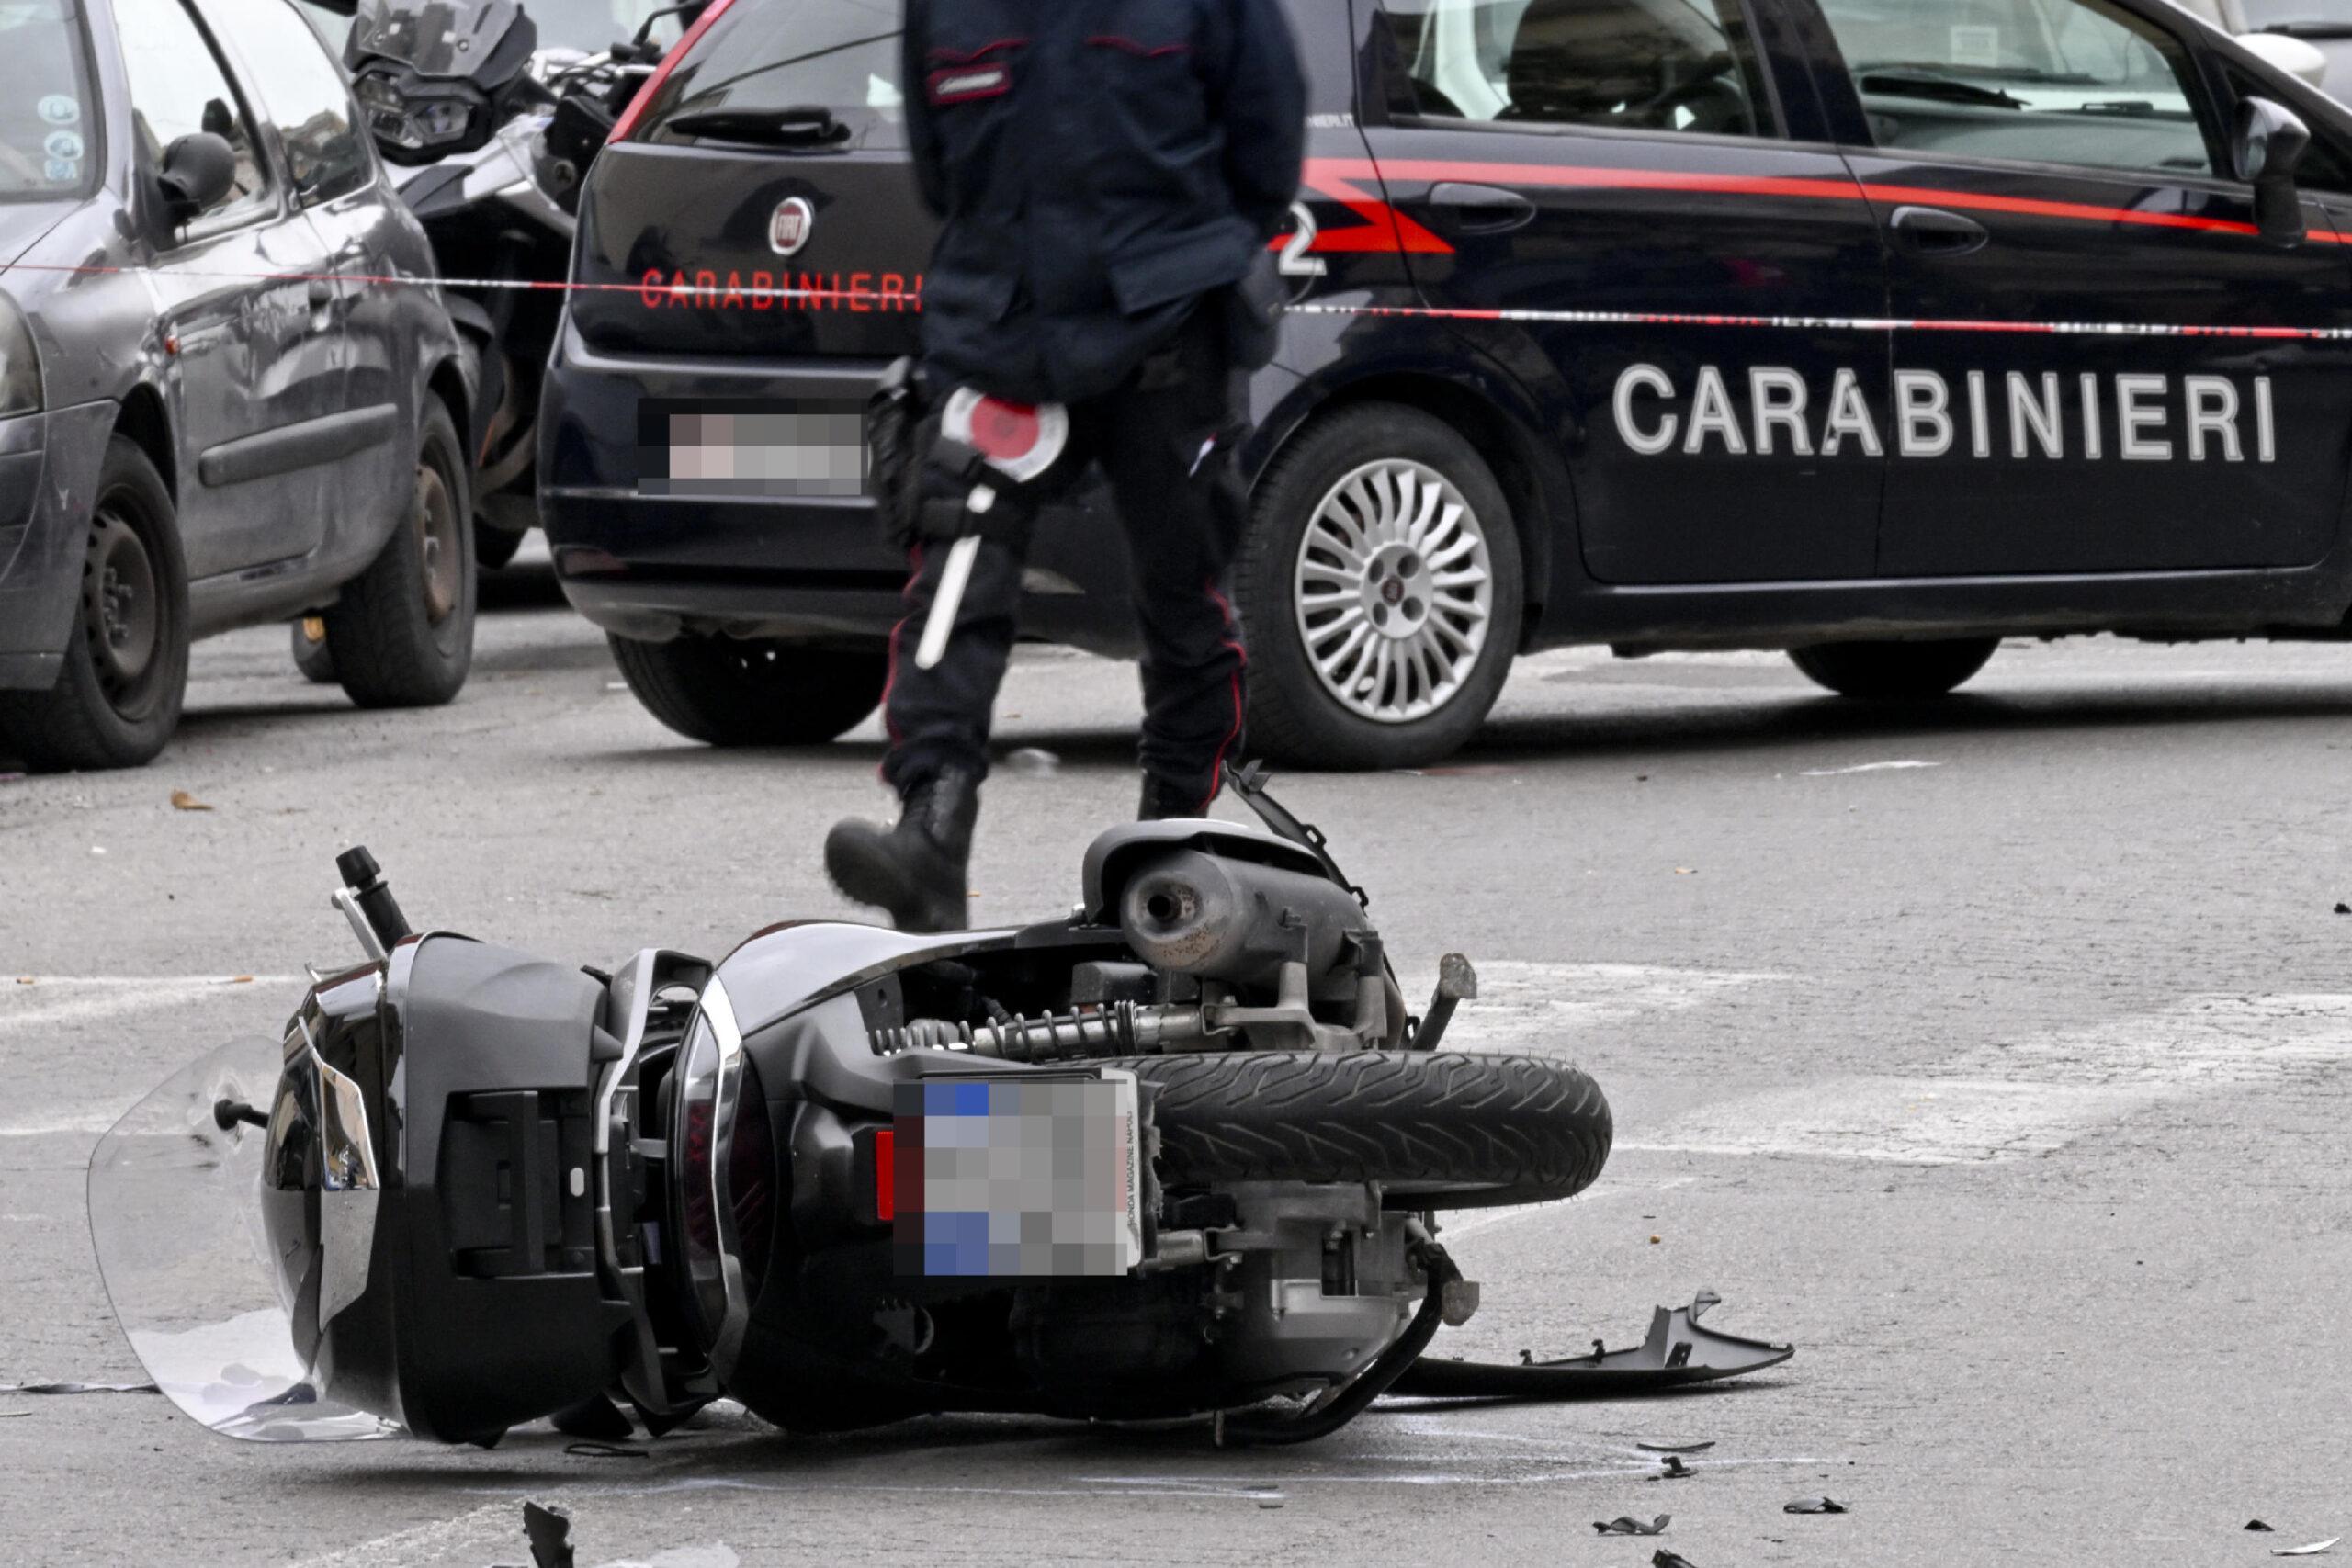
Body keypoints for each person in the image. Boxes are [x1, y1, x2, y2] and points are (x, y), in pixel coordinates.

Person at [824, 0, 1307, 933]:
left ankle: (1169, 854)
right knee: (958, 567)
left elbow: (1266, 155)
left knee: (1183, 598)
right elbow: (940, 174)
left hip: (1167, 326)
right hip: (1001, 324)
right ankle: (930, 830)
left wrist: (1180, 255)